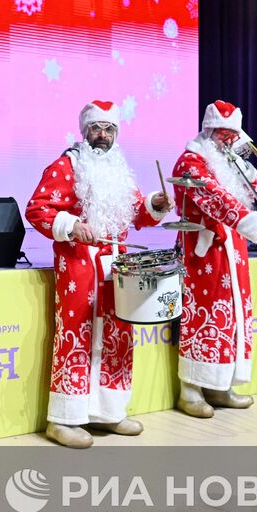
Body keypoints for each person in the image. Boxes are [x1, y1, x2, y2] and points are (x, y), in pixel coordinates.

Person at [25, 100, 173, 447]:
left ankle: (109, 412)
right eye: (96, 128)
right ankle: (64, 419)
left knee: (117, 334)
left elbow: (137, 211)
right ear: (84, 130)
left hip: (115, 263)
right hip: (78, 261)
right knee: (76, 334)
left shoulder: (120, 168)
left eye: (109, 129)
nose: (102, 135)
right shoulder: (67, 165)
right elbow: (37, 209)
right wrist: (72, 225)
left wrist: (155, 204)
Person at [170, 100, 257, 418]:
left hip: (232, 249)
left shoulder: (225, 159)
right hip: (201, 252)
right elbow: (212, 196)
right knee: (202, 316)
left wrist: (246, 160)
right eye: (223, 134)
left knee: (230, 319)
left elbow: (246, 192)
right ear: (208, 131)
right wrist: (249, 222)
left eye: (232, 134)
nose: (228, 140)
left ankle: (220, 386)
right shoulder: (191, 161)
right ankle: (190, 391)